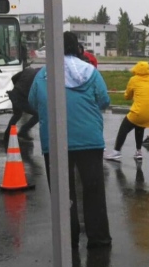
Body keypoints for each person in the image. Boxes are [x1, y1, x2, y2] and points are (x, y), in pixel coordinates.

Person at [28, 31, 112, 249]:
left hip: (54, 143)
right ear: (78, 48)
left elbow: (32, 102)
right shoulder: (90, 72)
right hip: (90, 141)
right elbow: (104, 100)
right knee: (94, 192)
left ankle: (68, 238)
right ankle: (99, 238)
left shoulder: (43, 75)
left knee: (63, 193)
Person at [104, 60, 149, 162]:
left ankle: (116, 152)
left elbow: (127, 96)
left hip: (139, 112)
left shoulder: (134, 79)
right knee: (139, 126)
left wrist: (127, 95)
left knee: (124, 128)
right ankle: (138, 152)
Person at [3, 66, 40, 147]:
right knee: (38, 114)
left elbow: (13, 78)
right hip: (22, 98)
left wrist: (17, 88)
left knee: (17, 114)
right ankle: (23, 131)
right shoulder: (39, 78)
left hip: (14, 94)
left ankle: (7, 134)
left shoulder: (28, 70)